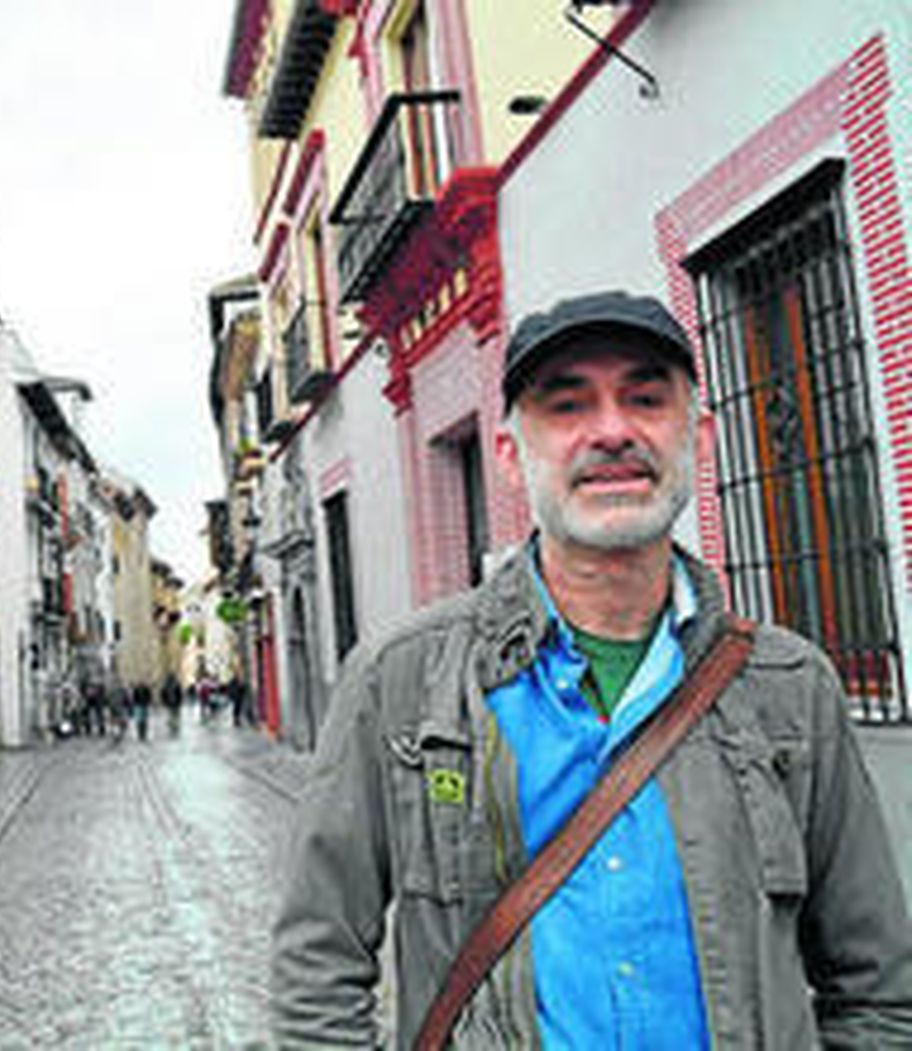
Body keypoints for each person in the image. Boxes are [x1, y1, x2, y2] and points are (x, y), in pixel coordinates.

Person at [271, 291, 912, 1047]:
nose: (612, 431)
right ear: (509, 456)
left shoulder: (791, 687)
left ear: (698, 437)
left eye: (645, 397)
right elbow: (317, 971)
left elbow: (878, 991)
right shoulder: (399, 683)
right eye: (568, 405)